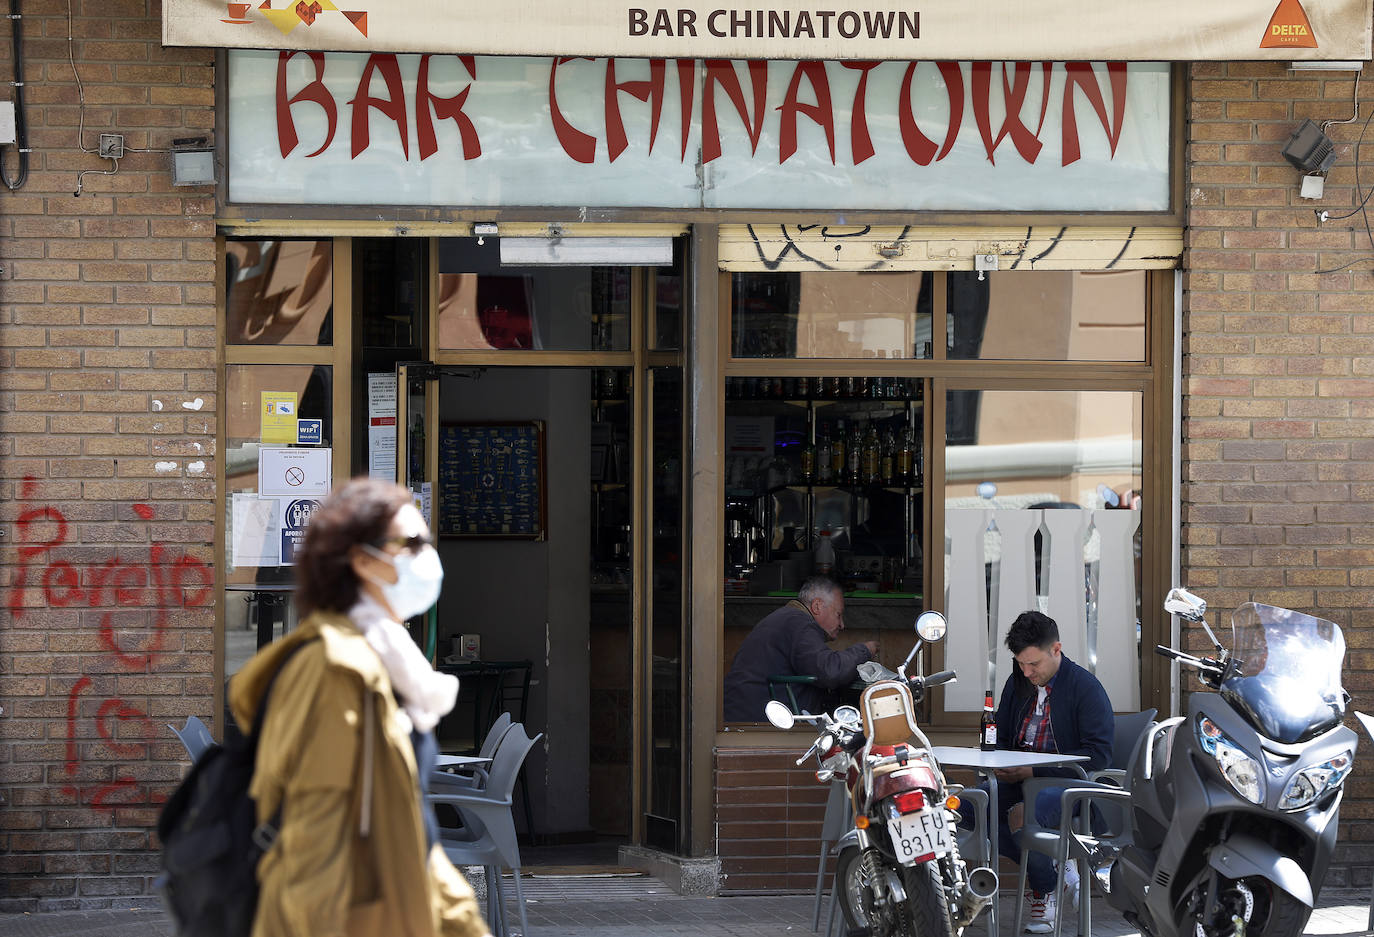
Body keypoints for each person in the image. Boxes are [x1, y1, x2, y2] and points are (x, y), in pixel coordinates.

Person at [229, 478, 492, 937]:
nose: (427, 554)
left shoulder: (384, 659)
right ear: (362, 560)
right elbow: (314, 848)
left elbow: (405, 829)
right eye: (411, 543)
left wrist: (459, 923)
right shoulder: (336, 669)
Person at [965, 610, 1112, 934]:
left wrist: (1032, 769)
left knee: (1022, 814)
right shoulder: (1018, 682)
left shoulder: (1085, 688)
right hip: (1016, 778)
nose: (1027, 672)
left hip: (1068, 784)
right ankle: (1055, 868)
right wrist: (999, 762)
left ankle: (1043, 887)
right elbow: (1000, 735)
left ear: (1056, 650)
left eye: (1034, 664)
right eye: (1021, 664)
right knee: (964, 808)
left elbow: (1098, 756)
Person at [723, 575, 878, 722]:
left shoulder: (789, 618)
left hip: (747, 715)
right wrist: (865, 650)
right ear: (817, 606)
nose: (842, 625)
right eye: (838, 615)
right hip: (757, 722)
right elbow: (829, 671)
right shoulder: (800, 624)